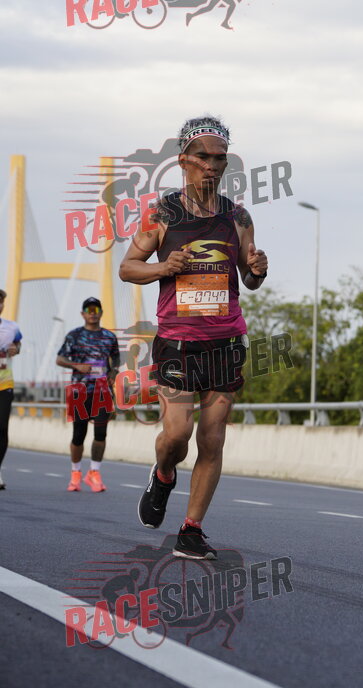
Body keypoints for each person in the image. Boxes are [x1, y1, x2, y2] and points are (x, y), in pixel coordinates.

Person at [119, 116, 268, 559]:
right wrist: (163, 267)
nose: (212, 165)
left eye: (220, 158)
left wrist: (257, 271)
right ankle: (164, 474)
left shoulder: (238, 217)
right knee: (177, 435)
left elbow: (249, 277)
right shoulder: (162, 214)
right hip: (178, 343)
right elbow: (127, 268)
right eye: (203, 157)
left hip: (225, 343)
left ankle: (191, 529)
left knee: (212, 440)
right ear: (182, 159)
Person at [57, 298, 120, 493]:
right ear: (83, 314)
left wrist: (113, 373)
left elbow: (116, 359)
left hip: (102, 390)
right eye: (89, 310)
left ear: (101, 312)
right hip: (79, 390)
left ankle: (94, 472)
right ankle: (75, 473)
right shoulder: (74, 335)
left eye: (96, 309)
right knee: (79, 434)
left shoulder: (109, 337)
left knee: (101, 433)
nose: (93, 313)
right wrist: (77, 365)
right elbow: (60, 358)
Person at [0, 289, 22, 490]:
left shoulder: (11, 327)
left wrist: (16, 349)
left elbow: (18, 344)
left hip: (4, 383)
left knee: (2, 428)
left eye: (1, 302)